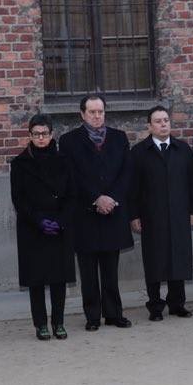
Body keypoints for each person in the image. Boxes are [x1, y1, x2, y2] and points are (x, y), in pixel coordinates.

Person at [58, 94, 134, 331]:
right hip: (85, 214)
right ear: (82, 114)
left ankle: (114, 313)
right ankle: (92, 316)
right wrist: (96, 197)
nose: (97, 116)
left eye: (100, 111)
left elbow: (126, 173)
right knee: (88, 270)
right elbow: (71, 176)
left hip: (113, 211)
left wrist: (111, 198)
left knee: (111, 269)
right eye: (92, 112)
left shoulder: (119, 138)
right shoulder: (69, 141)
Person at [129, 106, 193, 321]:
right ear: (149, 126)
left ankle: (177, 304)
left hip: (179, 214)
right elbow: (132, 189)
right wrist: (134, 216)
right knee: (154, 260)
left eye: (166, 120)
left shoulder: (183, 150)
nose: (163, 124)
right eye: (158, 121)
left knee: (178, 258)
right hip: (152, 216)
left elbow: (192, 184)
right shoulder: (139, 153)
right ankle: (155, 306)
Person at [10, 114, 75, 341]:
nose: (40, 138)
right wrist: (38, 220)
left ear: (51, 135)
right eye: (36, 134)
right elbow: (18, 199)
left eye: (44, 134)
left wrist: (62, 220)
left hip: (59, 225)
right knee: (36, 279)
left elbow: (71, 195)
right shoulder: (20, 164)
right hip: (33, 228)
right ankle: (40, 324)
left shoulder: (64, 161)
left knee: (58, 278)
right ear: (29, 135)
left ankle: (59, 322)